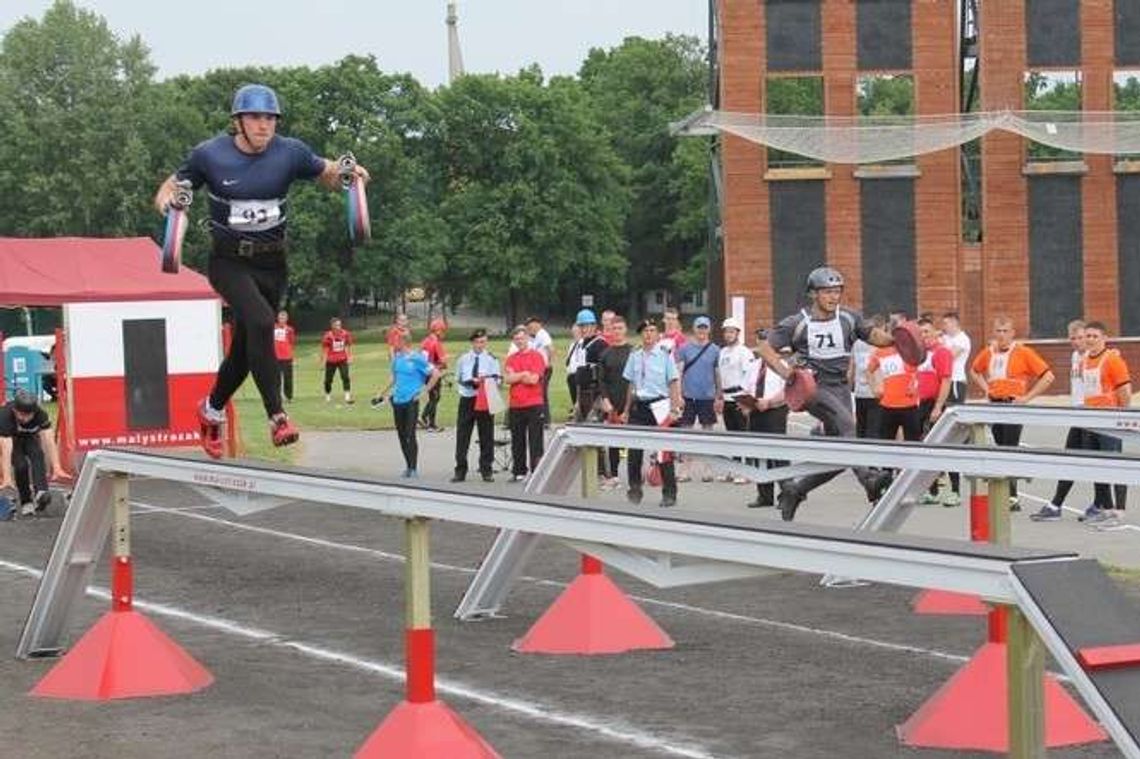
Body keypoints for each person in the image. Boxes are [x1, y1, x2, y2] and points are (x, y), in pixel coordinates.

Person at [155, 83, 370, 457]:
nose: (263, 125)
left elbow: (327, 172)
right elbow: (172, 186)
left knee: (244, 349)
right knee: (259, 323)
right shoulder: (210, 155)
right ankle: (277, 416)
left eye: (270, 118)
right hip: (229, 261)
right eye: (255, 118)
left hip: (273, 263)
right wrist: (168, 204)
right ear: (238, 121)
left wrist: (351, 178)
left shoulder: (290, 152)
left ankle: (211, 410)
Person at [756, 266, 894, 521]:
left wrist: (900, 339)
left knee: (841, 455)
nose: (833, 297)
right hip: (813, 388)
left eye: (837, 291)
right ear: (813, 294)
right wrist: (788, 373)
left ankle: (796, 490)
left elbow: (875, 336)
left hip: (841, 388)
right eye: (827, 292)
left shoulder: (849, 319)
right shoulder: (797, 323)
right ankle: (869, 479)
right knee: (848, 426)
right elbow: (764, 348)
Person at [968, 316, 1055, 510]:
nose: (1001, 335)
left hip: (1014, 406)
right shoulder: (988, 352)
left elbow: (1048, 377)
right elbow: (974, 371)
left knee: (1010, 448)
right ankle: (1006, 493)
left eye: (1005, 331)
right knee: (1000, 447)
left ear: (1013, 333)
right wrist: (986, 388)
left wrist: (1027, 398)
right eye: (998, 331)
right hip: (995, 406)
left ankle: (1013, 497)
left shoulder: (1023, 352)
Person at [1071, 321, 1131, 524]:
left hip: (1109, 418)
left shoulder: (1112, 360)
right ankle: (1105, 507)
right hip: (1091, 418)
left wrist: (1121, 415)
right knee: (1095, 465)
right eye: (1088, 336)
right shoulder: (1083, 360)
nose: (1090, 340)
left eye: (1095, 336)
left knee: (1115, 464)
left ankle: (1119, 510)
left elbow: (1125, 389)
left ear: (1104, 338)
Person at [622, 320, 684, 507]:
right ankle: (634, 487)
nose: (648, 334)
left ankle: (669, 493)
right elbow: (631, 385)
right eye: (645, 331)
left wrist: (674, 409)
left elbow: (673, 382)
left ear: (658, 335)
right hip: (639, 406)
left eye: (652, 331)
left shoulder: (665, 356)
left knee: (663, 452)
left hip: (659, 406)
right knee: (634, 450)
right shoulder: (635, 355)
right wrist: (626, 410)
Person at [1031, 320, 1087, 521]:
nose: (1077, 342)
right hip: (1078, 415)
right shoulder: (1074, 356)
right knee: (1071, 460)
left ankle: (1101, 505)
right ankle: (1057, 504)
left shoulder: (1094, 357)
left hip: (1092, 415)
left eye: (1081, 337)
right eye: (1073, 338)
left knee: (1096, 463)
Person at [373, 331, 440, 478]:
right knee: (402, 435)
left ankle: (414, 467)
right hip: (398, 400)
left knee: (410, 435)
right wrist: (381, 392)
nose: (393, 344)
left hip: (411, 401)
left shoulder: (417, 358)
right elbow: (394, 378)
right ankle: (408, 466)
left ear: (404, 342)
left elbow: (435, 374)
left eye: (396, 341)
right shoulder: (397, 359)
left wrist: (424, 391)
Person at [742, 327, 789, 508]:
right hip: (756, 412)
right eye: (760, 343)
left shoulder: (781, 366)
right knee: (758, 455)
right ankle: (764, 495)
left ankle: (786, 494)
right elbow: (746, 388)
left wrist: (769, 402)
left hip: (774, 412)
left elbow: (786, 391)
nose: (762, 347)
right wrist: (746, 404)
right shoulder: (753, 366)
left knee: (778, 456)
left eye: (765, 343)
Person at [0, 390, 67, 516]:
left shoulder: (41, 415)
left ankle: (41, 492)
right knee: (21, 466)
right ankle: (26, 502)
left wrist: (57, 468)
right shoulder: (4, 416)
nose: (24, 418)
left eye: (28, 415)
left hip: (30, 438)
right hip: (11, 440)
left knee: (38, 454)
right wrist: (7, 478)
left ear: (34, 412)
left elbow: (49, 441)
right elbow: (5, 450)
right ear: (15, 411)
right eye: (21, 415)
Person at [914, 317, 954, 504]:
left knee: (943, 446)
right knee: (924, 447)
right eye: (920, 333)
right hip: (918, 404)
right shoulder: (916, 353)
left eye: (926, 332)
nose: (924, 336)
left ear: (934, 332)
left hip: (935, 404)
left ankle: (954, 490)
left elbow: (946, 380)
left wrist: (938, 406)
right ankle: (931, 490)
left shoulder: (941, 352)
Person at [452, 329, 501, 483]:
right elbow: (457, 377)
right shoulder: (463, 359)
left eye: (484, 342)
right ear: (472, 342)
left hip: (485, 398)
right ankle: (460, 469)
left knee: (486, 434)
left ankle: (486, 469)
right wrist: (469, 381)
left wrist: (485, 381)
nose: (481, 345)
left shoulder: (492, 359)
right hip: (468, 397)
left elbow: (498, 380)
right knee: (463, 435)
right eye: (478, 342)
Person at [504, 326, 547, 482]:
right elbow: (508, 379)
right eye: (516, 339)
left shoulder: (537, 356)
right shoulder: (511, 358)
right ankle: (519, 470)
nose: (519, 341)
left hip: (534, 402)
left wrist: (517, 376)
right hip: (516, 404)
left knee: (535, 439)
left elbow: (534, 379)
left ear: (528, 338)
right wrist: (523, 374)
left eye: (522, 338)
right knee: (517, 439)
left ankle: (537, 471)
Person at [598, 316, 633, 487]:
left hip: (630, 403)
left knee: (632, 441)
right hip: (611, 403)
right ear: (610, 331)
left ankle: (635, 476)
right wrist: (605, 399)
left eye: (620, 328)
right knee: (613, 442)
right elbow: (601, 380)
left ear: (625, 330)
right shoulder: (605, 354)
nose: (617, 332)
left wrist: (630, 405)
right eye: (614, 328)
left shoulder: (633, 352)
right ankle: (613, 475)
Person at [940, 311, 972, 498]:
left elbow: (947, 357)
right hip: (944, 381)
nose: (944, 327)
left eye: (947, 324)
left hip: (956, 382)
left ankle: (967, 447)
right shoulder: (944, 338)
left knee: (956, 420)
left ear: (955, 323)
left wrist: (938, 348)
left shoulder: (962, 339)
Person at [868, 340, 921, 442]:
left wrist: (915, 384)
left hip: (910, 404)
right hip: (888, 405)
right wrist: (874, 387)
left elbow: (921, 370)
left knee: (913, 442)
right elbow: (868, 370)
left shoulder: (911, 351)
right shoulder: (881, 352)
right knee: (886, 442)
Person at [566, 309, 608, 422]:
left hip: (596, 394)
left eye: (587, 326)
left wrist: (603, 398)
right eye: (581, 326)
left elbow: (604, 374)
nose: (584, 329)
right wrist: (577, 401)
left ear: (594, 326)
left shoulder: (600, 344)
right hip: (582, 393)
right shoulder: (581, 344)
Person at [850, 318, 883, 438]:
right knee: (873, 431)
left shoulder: (856, 344)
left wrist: (850, 389)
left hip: (860, 392)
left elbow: (851, 369)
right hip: (875, 392)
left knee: (861, 429)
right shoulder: (879, 346)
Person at [419, 318, 449, 432]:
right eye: (443, 331)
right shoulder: (436, 343)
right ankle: (428, 421)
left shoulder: (425, 341)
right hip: (434, 374)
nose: (444, 334)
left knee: (432, 397)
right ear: (438, 331)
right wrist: (443, 365)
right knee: (435, 398)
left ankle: (427, 420)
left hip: (425, 373)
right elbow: (443, 361)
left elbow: (421, 358)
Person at [525, 316, 555, 425]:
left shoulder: (543, 334)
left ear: (538, 324)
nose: (530, 328)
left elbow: (551, 349)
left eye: (531, 325)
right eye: (528, 326)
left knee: (541, 393)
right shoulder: (536, 336)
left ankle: (545, 420)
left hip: (544, 369)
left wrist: (549, 363)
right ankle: (541, 418)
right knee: (539, 393)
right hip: (538, 369)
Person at [320, 317, 354, 404]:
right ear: (332, 326)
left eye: (339, 325)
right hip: (331, 360)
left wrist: (349, 357)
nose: (338, 327)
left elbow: (348, 345)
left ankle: (347, 395)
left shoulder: (345, 334)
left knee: (345, 376)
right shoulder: (328, 335)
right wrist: (323, 362)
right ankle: (327, 394)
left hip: (342, 359)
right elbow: (325, 349)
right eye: (336, 325)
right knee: (328, 379)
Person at [273, 310, 296, 402]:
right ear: (278, 318)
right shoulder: (273, 328)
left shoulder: (289, 330)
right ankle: (277, 396)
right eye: (280, 318)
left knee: (288, 378)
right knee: (276, 378)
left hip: (287, 357)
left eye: (284, 318)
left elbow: (291, 343)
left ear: (287, 319)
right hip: (275, 357)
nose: (282, 319)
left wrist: (292, 357)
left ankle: (289, 396)